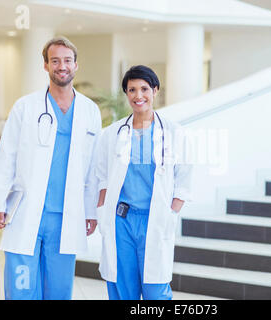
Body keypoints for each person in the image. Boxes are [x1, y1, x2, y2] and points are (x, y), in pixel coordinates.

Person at [0, 36, 102, 300]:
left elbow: (94, 168)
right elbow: (6, 156)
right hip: (25, 211)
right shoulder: (25, 107)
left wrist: (91, 210)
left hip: (66, 215)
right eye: (55, 61)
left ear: (76, 65)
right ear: (46, 66)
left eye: (67, 60)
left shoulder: (89, 111)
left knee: (59, 291)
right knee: (21, 289)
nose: (62, 66)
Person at [96, 65, 192, 300]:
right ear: (126, 94)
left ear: (155, 90)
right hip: (121, 223)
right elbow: (102, 179)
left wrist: (170, 214)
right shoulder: (112, 133)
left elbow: (184, 182)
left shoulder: (174, 133)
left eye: (144, 89)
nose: (138, 96)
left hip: (156, 220)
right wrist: (102, 213)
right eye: (132, 90)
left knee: (155, 292)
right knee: (122, 290)